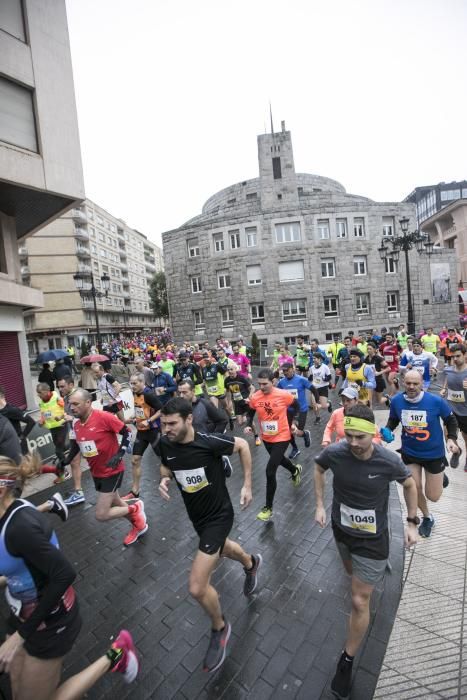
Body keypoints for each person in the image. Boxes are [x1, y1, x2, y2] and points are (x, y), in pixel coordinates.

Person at [0, 453, 139, 699]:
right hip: (22, 615)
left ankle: (116, 654)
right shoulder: (9, 515)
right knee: (17, 690)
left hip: (51, 622)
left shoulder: (19, 526)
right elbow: (20, 566)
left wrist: (20, 636)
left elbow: (64, 574)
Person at [314, 404, 418, 700]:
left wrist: (411, 522)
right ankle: (367, 574)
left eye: (360, 437)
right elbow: (318, 468)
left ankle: (346, 661)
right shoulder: (336, 452)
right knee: (352, 576)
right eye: (348, 436)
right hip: (342, 531)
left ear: (373, 432)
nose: (354, 443)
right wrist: (319, 504)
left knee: (360, 599)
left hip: (373, 540)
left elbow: (409, 484)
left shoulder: (388, 460)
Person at [157, 397, 260, 673]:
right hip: (198, 519)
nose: (166, 428)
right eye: (163, 423)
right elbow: (166, 463)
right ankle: (251, 563)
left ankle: (220, 627)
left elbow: (242, 445)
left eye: (171, 423)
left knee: (197, 586)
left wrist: (247, 485)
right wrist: (164, 478)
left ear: (188, 419)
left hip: (219, 516)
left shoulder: (208, 441)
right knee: (224, 549)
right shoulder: (165, 443)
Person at [63, 389, 148, 547]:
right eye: (70, 404)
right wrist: (66, 460)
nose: (71, 407)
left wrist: (119, 454)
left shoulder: (104, 417)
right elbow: (76, 445)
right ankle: (139, 525)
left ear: (88, 403)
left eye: (75, 404)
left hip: (112, 471)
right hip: (97, 472)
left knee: (101, 514)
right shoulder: (76, 423)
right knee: (116, 502)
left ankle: (136, 507)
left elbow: (127, 432)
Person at [382, 370, 460, 538]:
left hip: (433, 454)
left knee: (433, 496)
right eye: (408, 383)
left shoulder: (436, 401)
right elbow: (394, 419)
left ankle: (440, 477)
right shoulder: (396, 401)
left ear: (422, 384)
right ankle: (427, 517)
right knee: (413, 489)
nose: (411, 387)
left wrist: (451, 439)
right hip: (410, 453)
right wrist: (388, 429)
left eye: (415, 383)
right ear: (403, 382)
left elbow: (451, 420)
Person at [245, 369, 302, 521]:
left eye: (265, 384)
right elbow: (250, 412)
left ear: (273, 382)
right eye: (259, 384)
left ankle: (268, 508)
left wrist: (294, 422)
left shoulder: (283, 394)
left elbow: (297, 406)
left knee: (270, 471)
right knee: (280, 460)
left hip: (282, 436)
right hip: (266, 437)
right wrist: (249, 424)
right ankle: (295, 470)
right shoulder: (255, 397)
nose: (262, 387)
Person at [123, 373, 162, 500]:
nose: (132, 386)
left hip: (153, 431)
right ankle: (135, 491)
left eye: (135, 383)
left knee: (165, 459)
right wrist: (134, 417)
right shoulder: (135, 393)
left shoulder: (149, 394)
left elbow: (162, 410)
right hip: (141, 431)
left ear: (142, 382)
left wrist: (149, 421)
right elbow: (141, 409)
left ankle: (182, 476)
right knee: (135, 460)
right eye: (131, 383)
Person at [56, 376, 85, 507]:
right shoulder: (66, 398)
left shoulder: (78, 396)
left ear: (71, 384)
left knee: (96, 460)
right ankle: (78, 492)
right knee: (74, 462)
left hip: (85, 433)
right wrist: (62, 416)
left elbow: (85, 415)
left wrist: (70, 418)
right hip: (74, 432)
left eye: (62, 386)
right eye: (58, 386)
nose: (60, 389)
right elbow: (69, 414)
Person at [277, 363, 313, 459]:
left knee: (296, 432)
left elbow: (313, 389)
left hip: (301, 410)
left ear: (292, 369)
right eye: (283, 371)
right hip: (288, 411)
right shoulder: (281, 382)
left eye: (287, 370)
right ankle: (295, 449)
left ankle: (305, 434)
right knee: (288, 432)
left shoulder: (301, 380)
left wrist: (316, 401)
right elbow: (276, 393)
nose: (285, 373)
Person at [441, 344, 467, 470]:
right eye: (453, 356)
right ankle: (457, 451)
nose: (455, 359)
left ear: (465, 355)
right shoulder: (449, 369)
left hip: (465, 412)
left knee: (465, 437)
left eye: (458, 356)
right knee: (448, 435)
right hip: (451, 409)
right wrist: (444, 388)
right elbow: (447, 377)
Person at [36, 383, 69, 483]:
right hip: (52, 428)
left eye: (40, 392)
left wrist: (63, 416)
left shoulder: (57, 398)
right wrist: (41, 421)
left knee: (58, 451)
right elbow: (43, 413)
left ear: (47, 391)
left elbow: (67, 409)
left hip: (61, 426)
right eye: (37, 393)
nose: (38, 395)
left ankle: (64, 472)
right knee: (61, 449)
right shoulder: (42, 402)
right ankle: (76, 445)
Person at [223, 365, 260, 444]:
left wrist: (249, 397)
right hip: (237, 403)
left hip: (246, 402)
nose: (230, 371)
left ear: (236, 369)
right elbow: (228, 392)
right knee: (240, 423)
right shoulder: (226, 380)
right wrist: (229, 402)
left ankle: (256, 436)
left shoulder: (242, 378)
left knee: (249, 420)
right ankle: (246, 421)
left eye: (231, 369)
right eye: (228, 369)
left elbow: (252, 388)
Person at [0, 386, 35, 455]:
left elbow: (31, 422)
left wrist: (21, 437)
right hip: (6, 448)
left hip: (19, 448)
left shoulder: (11, 410)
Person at [308, 352, 332, 424]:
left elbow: (329, 377)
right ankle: (317, 418)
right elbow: (311, 377)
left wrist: (325, 379)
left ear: (319, 359)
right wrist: (309, 378)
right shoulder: (311, 368)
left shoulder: (325, 367)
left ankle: (329, 404)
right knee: (314, 405)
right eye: (313, 358)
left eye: (315, 358)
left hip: (323, 387)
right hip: (314, 388)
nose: (313, 360)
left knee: (324, 406)